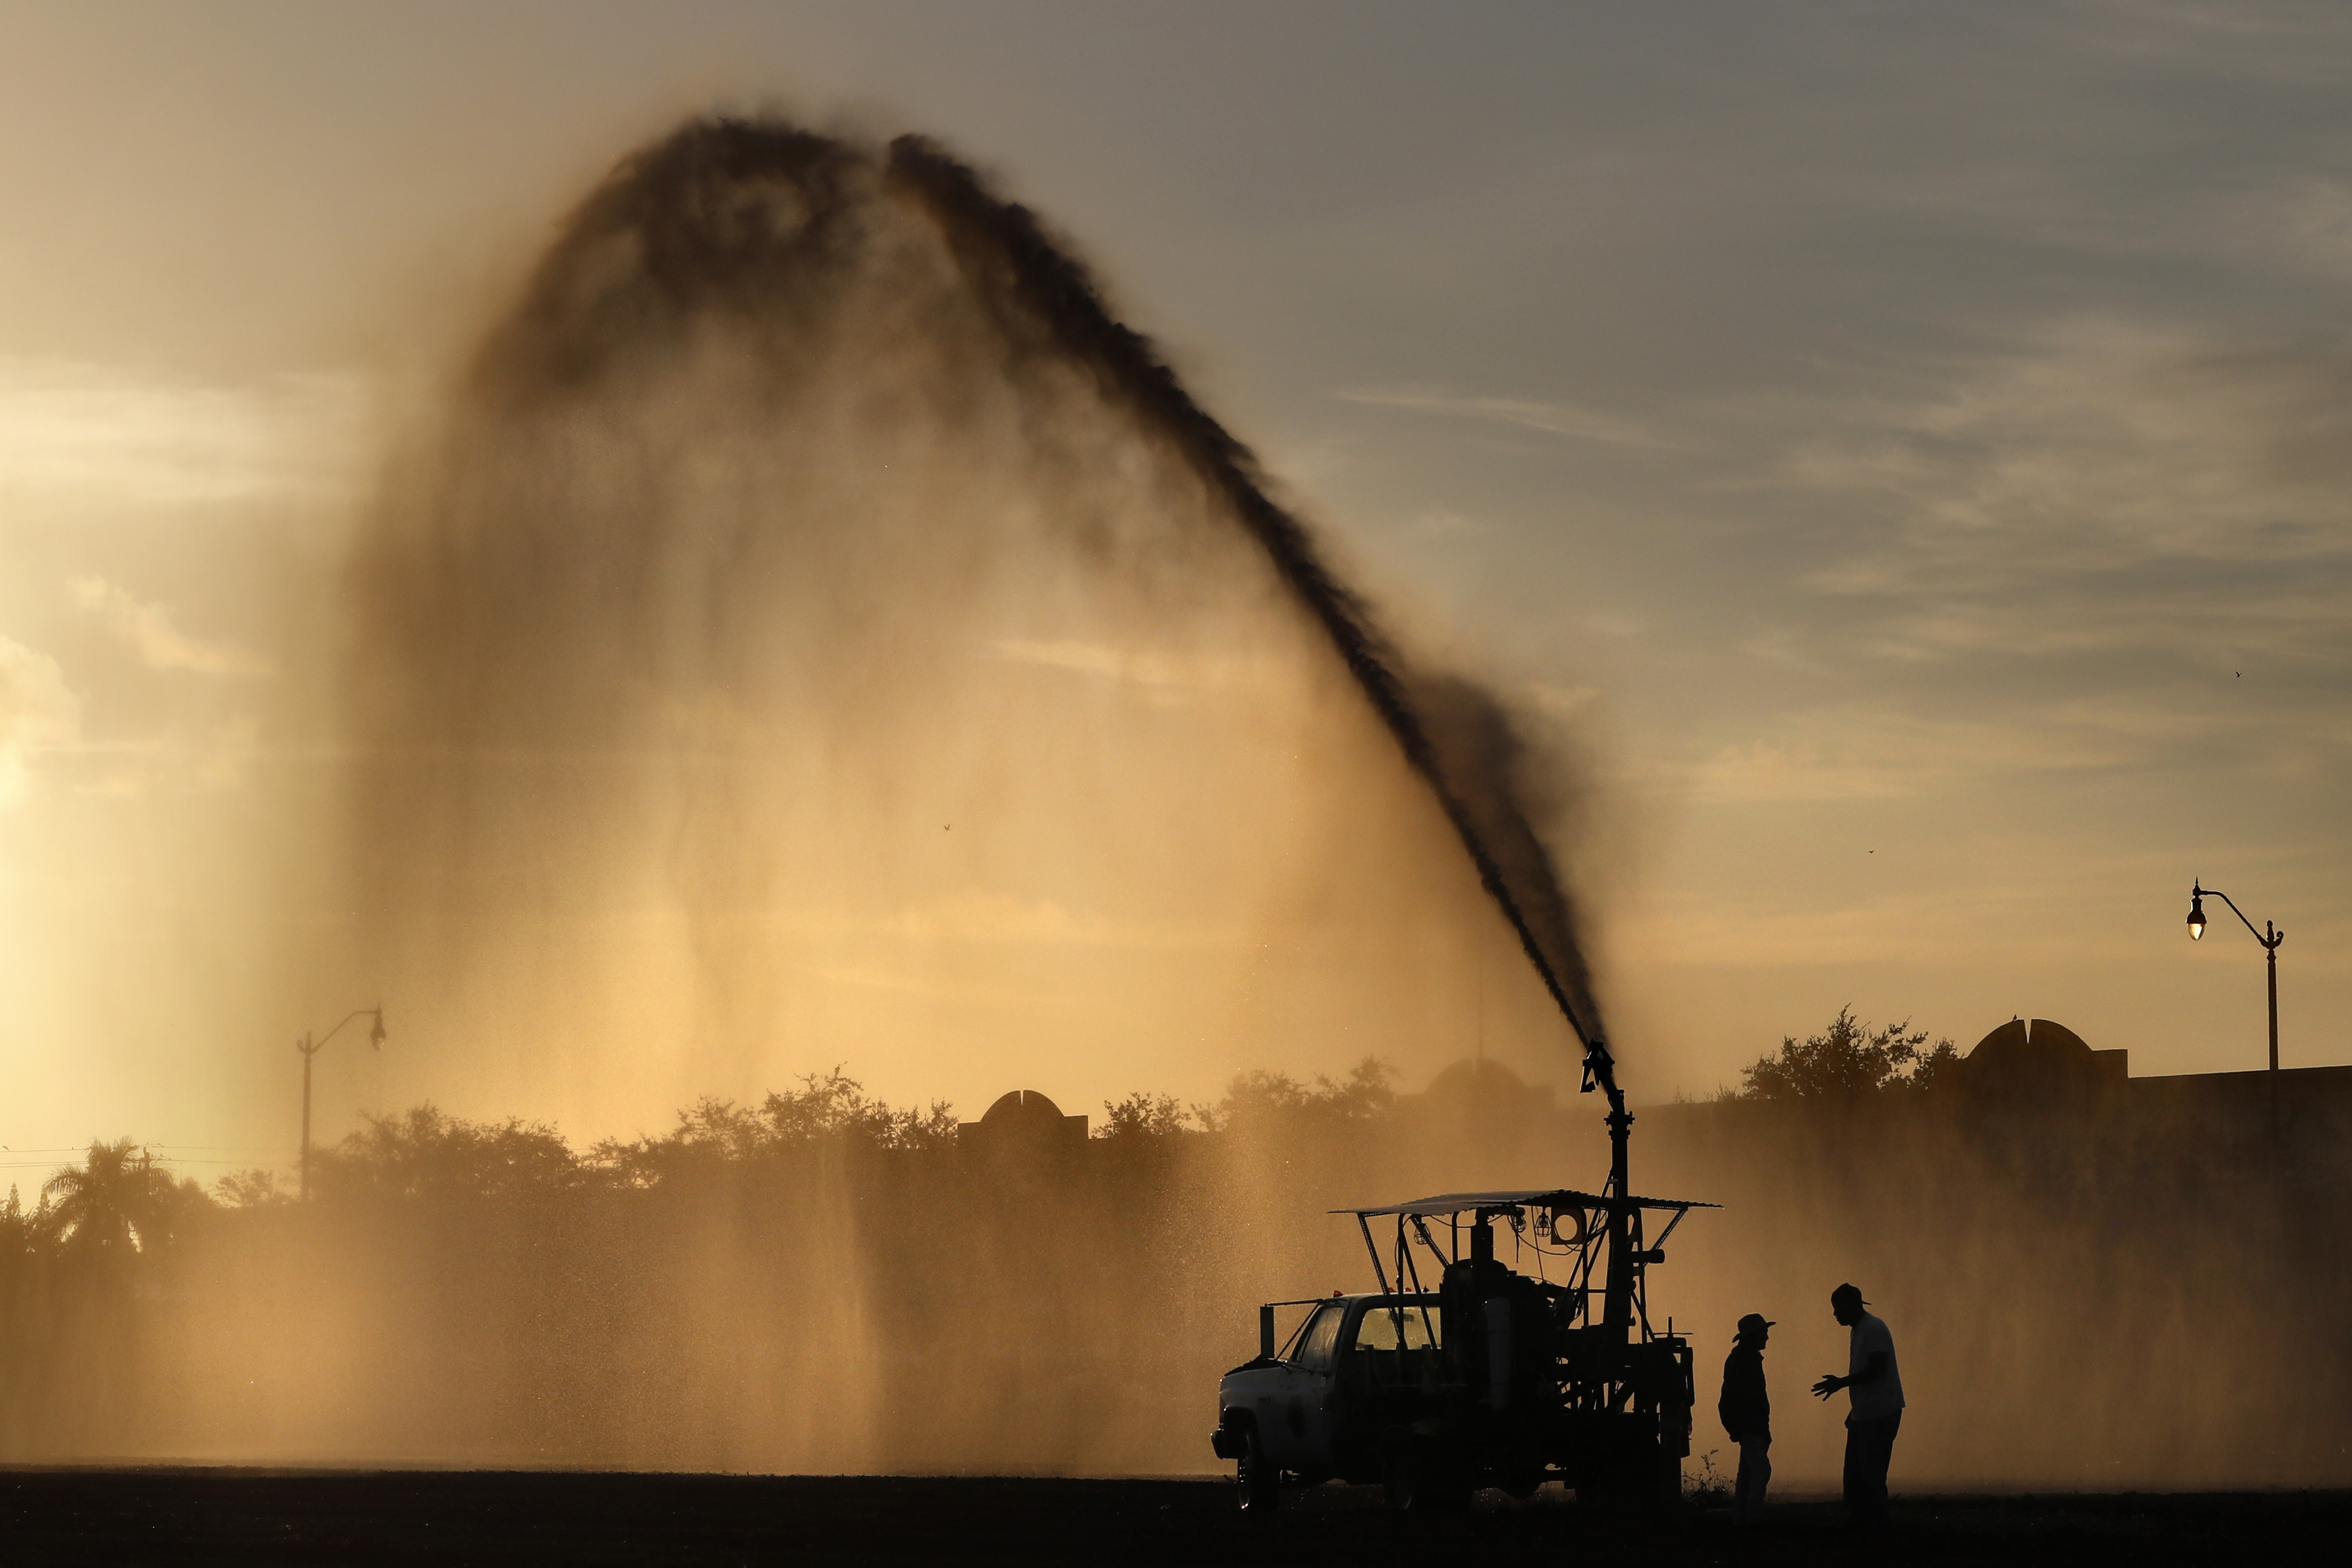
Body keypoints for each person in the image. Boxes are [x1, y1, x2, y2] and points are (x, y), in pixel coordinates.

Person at [1811, 1282, 1903, 1525]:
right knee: (1857, 1475)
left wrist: (1841, 1383)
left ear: (1851, 1305)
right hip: (1867, 1413)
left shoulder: (1873, 1328)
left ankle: (1875, 1526)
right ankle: (1865, 1523)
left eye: (1837, 1308)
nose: (1835, 1314)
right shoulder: (1861, 1329)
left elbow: (1877, 1369)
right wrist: (1856, 1412)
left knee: (1870, 1475)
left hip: (1880, 1414)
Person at [1717, 1312, 1774, 1523]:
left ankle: (1742, 1518)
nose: (1767, 1338)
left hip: (1752, 1426)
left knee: (1748, 1474)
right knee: (1761, 1471)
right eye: (1764, 1333)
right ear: (1754, 1336)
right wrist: (1735, 1427)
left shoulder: (1744, 1358)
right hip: (1751, 1425)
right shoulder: (1744, 1360)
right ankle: (1753, 1518)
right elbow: (1730, 1397)